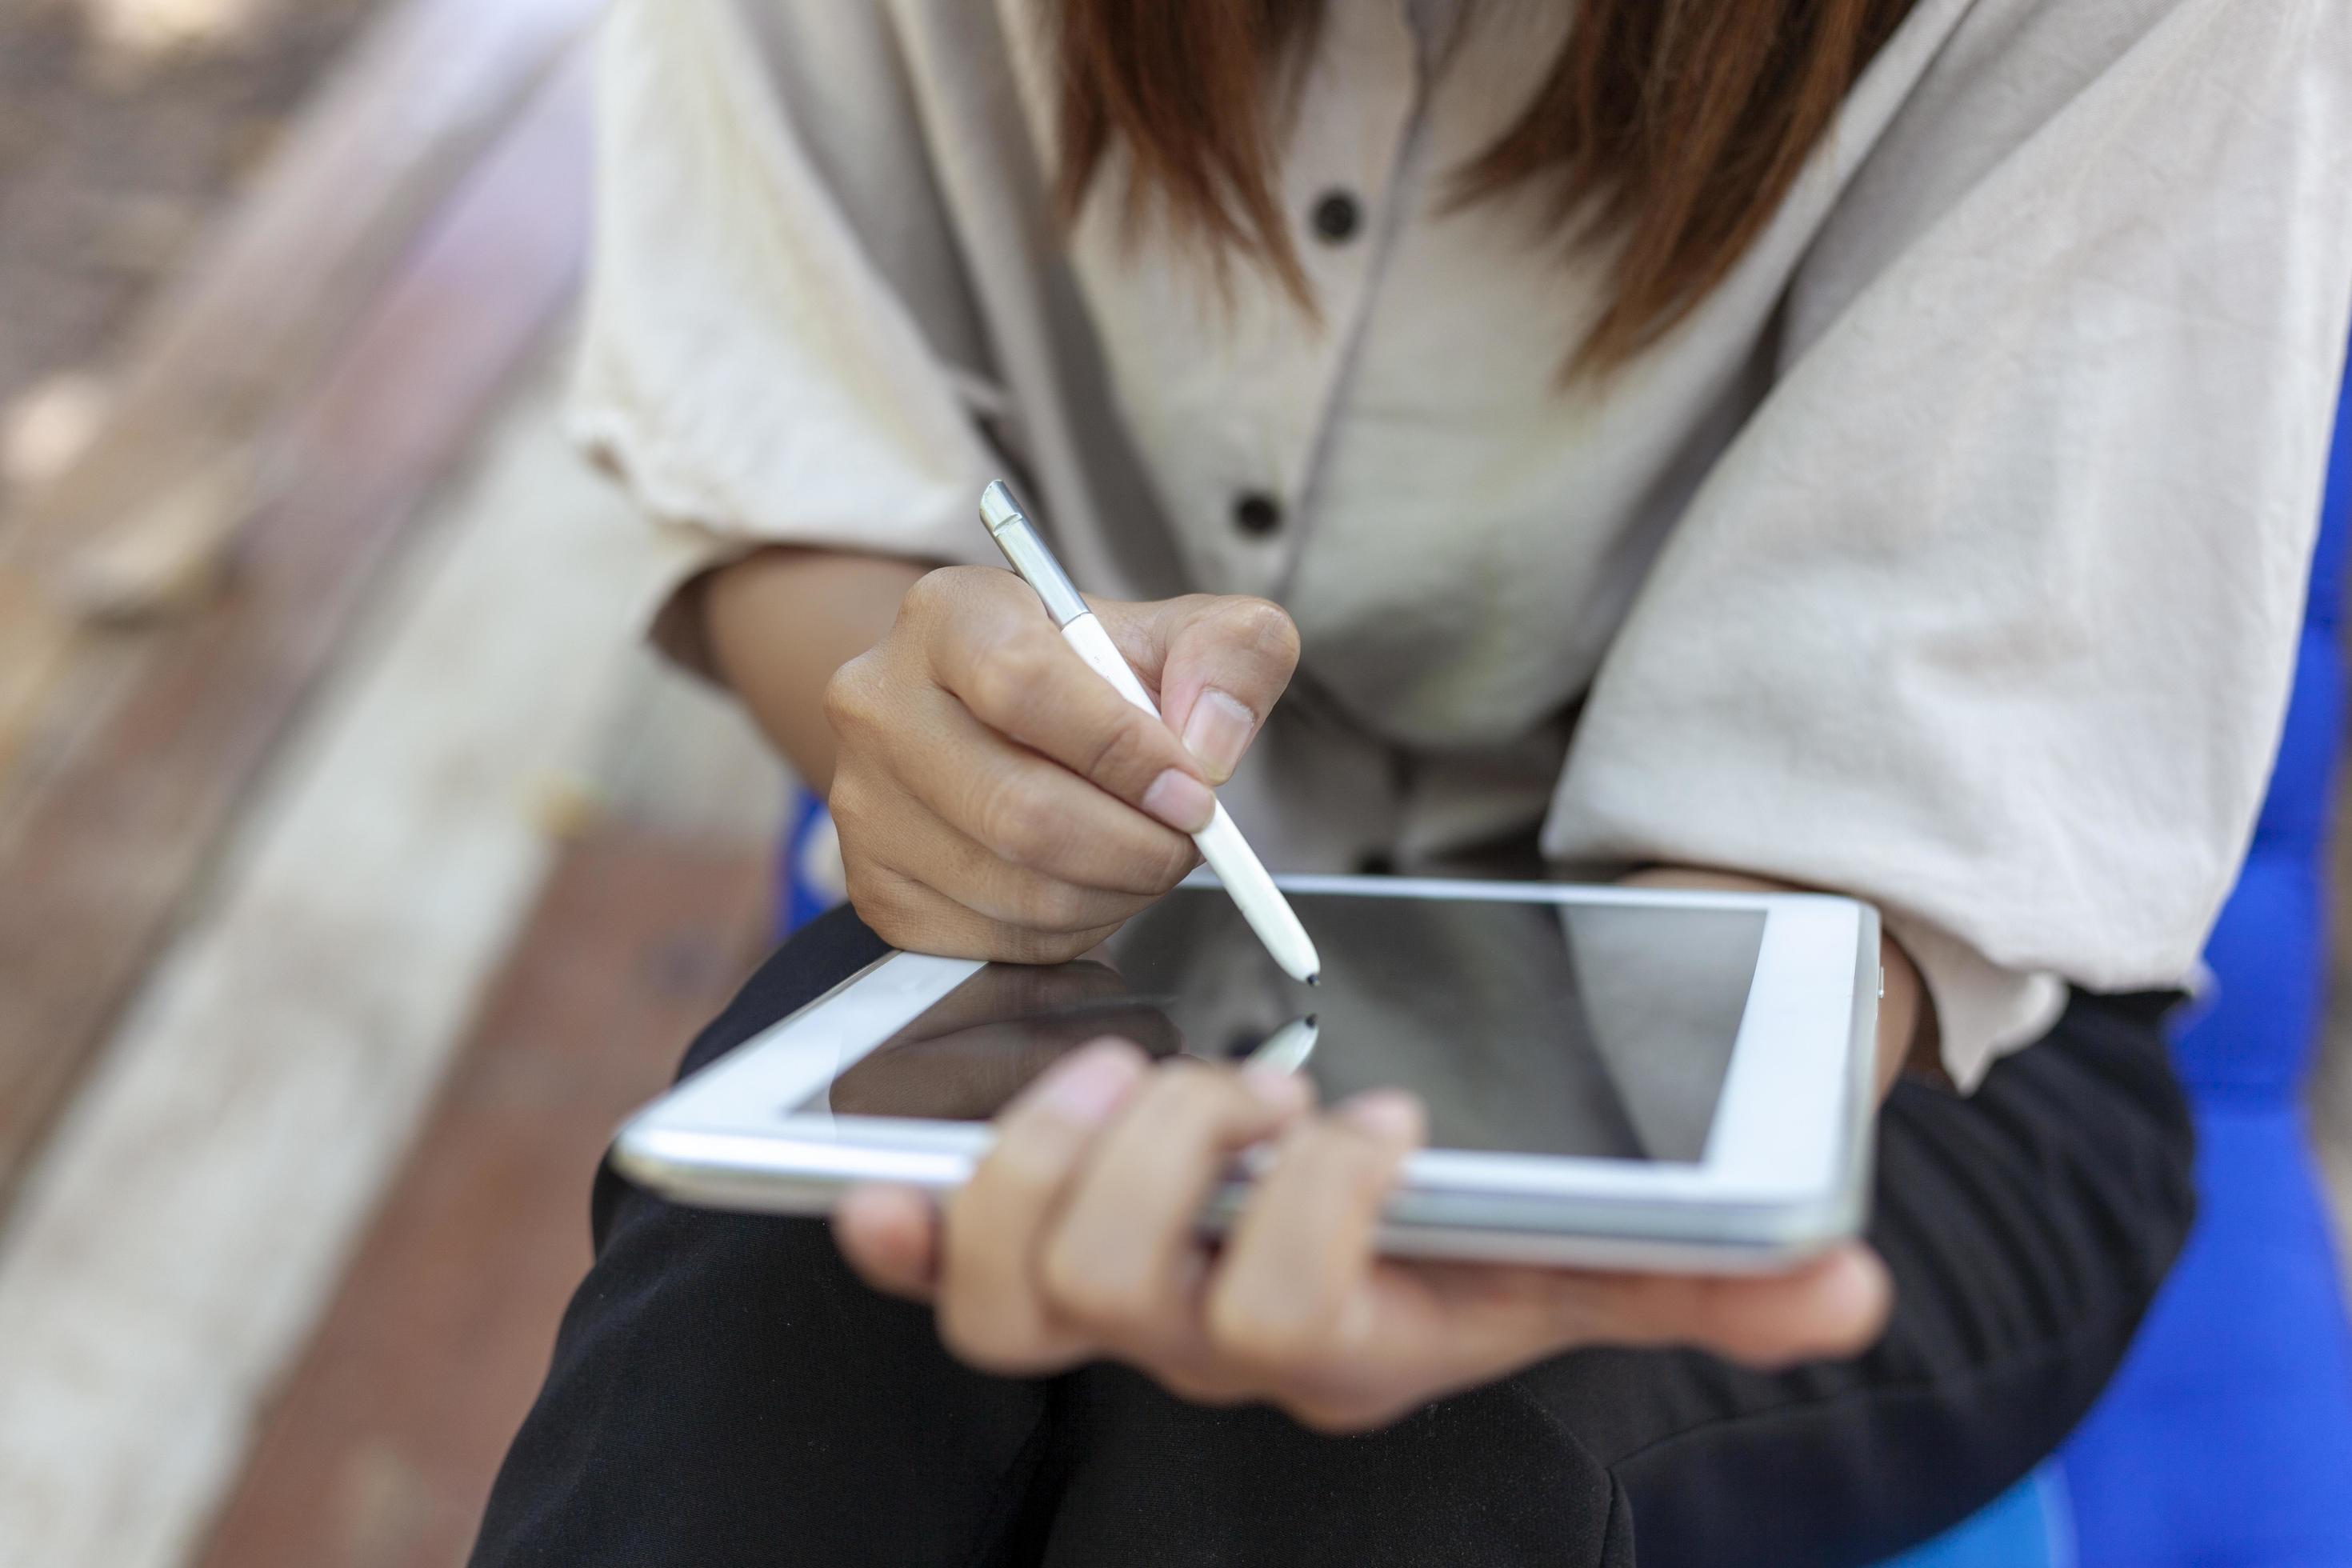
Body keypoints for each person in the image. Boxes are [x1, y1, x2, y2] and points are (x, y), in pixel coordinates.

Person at [471, 1, 2352, 1562]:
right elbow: (774, 439)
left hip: (1865, 1022)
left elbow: (1880, 808)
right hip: (1117, 942)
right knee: (754, 1325)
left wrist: (1559, 1194)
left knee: (1360, 1454)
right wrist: (974, 749)